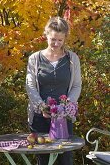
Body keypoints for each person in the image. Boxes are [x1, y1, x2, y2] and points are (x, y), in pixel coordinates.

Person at [26, 16, 82, 165]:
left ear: (65, 39)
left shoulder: (72, 59)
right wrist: (41, 106)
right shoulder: (34, 59)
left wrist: (66, 107)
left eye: (60, 40)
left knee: (65, 159)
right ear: (46, 35)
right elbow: (30, 86)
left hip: (64, 118)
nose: (56, 43)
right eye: (52, 39)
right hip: (40, 117)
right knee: (43, 160)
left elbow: (76, 86)